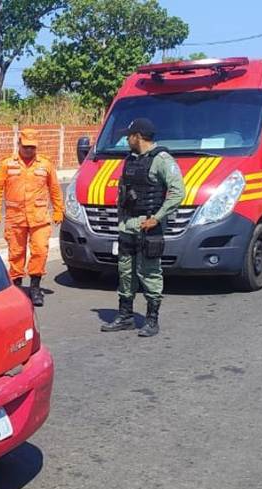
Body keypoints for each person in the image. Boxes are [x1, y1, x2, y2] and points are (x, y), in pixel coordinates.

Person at [101, 118, 184, 337]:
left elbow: (178, 193)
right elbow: (123, 192)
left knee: (150, 273)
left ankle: (152, 320)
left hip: (149, 226)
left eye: (128, 136)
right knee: (125, 272)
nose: (126, 140)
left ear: (137, 136)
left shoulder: (162, 160)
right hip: (127, 225)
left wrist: (157, 218)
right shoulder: (130, 160)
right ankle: (125, 316)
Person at [0, 128, 63, 306]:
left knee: (40, 251)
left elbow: (54, 189)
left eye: (32, 147)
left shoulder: (45, 165)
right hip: (16, 218)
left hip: (39, 217)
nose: (29, 150)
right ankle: (17, 287)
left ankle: (35, 287)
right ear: (18, 144)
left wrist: (59, 210)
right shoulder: (7, 164)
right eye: (26, 146)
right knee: (16, 253)